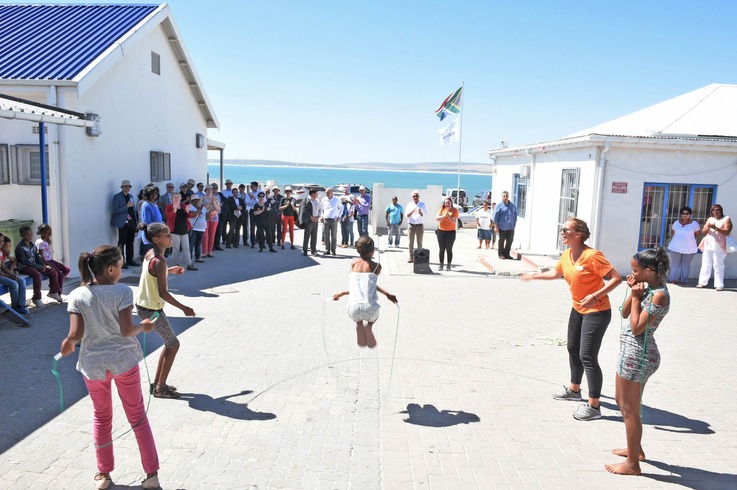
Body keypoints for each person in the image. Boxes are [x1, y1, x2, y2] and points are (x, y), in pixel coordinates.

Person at [59, 245, 160, 490]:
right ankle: (151, 476)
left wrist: (68, 343)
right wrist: (144, 326)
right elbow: (127, 330)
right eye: (121, 266)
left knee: (101, 418)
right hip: (124, 362)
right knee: (137, 416)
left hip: (93, 366)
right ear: (111, 269)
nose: (121, 270)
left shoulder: (77, 295)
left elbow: (76, 334)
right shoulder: (123, 292)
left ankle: (104, 475)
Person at [521, 218, 622, 421]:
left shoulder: (593, 256)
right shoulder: (567, 254)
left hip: (597, 311)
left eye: (566, 230)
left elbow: (616, 278)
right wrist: (533, 276)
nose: (562, 233)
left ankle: (594, 406)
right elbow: (555, 273)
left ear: (578, 234)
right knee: (572, 348)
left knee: (588, 356)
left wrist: (595, 296)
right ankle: (575, 390)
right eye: (562, 229)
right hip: (578, 309)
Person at [606, 247, 670, 476]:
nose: (631, 273)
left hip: (639, 355)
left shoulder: (659, 294)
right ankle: (636, 449)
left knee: (630, 408)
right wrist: (633, 292)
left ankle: (633, 464)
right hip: (630, 353)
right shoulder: (647, 288)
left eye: (635, 270)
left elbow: (637, 328)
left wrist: (636, 297)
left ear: (650, 271)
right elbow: (624, 313)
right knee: (621, 401)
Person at [136, 223, 196, 399]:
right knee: (173, 344)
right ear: (156, 239)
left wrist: (170, 271)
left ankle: (157, 384)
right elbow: (163, 292)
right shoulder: (159, 261)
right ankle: (160, 388)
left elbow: (153, 274)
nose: (170, 237)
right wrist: (184, 308)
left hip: (145, 306)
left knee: (169, 343)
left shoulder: (151, 254)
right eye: (167, 234)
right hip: (151, 309)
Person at [332, 236, 398, 348]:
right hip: (370, 309)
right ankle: (369, 326)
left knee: (357, 317)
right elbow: (369, 285)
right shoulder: (377, 266)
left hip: (354, 309)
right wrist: (387, 294)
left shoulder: (353, 264)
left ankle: (358, 324)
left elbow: (358, 286)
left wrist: (341, 293)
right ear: (372, 252)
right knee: (374, 316)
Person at [16, 226, 63, 308]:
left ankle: (53, 292)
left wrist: (43, 265)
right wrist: (39, 267)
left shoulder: (33, 246)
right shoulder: (20, 247)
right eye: (27, 234)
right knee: (37, 275)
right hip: (24, 267)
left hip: (35, 265)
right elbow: (25, 262)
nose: (30, 236)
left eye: (31, 234)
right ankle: (36, 298)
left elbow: (37, 257)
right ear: (21, 235)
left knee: (52, 270)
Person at [697, 203, 733, 291]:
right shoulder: (710, 219)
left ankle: (719, 285)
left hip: (719, 245)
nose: (715, 211)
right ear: (711, 212)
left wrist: (716, 228)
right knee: (706, 264)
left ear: (721, 211)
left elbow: (727, 231)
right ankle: (702, 282)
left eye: (717, 210)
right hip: (708, 244)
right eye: (713, 210)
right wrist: (708, 227)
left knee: (718, 265)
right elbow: (703, 232)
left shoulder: (726, 219)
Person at [666, 206, 700, 285]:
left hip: (689, 248)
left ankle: (683, 280)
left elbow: (697, 234)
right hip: (675, 247)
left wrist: (688, 239)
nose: (685, 215)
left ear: (690, 214)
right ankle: (672, 279)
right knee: (675, 264)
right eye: (683, 213)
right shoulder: (676, 223)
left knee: (686, 264)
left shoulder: (694, 224)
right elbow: (673, 232)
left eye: (687, 213)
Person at [110, 179, 139, 268]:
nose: (127, 188)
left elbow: (133, 209)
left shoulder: (130, 196)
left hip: (131, 222)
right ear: (122, 187)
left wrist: (136, 221)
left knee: (131, 242)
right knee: (122, 242)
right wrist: (126, 206)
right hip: (122, 222)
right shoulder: (117, 197)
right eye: (125, 186)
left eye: (129, 186)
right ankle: (122, 261)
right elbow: (115, 210)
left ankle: (130, 260)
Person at [35, 223, 71, 292]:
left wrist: (48, 242)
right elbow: (40, 255)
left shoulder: (45, 241)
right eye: (47, 232)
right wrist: (46, 264)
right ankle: (57, 292)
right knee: (60, 275)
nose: (49, 234)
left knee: (66, 270)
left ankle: (54, 283)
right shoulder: (40, 242)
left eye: (50, 232)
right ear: (41, 232)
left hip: (50, 260)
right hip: (47, 261)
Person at [164, 193, 196, 271]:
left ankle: (189, 264)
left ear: (181, 198)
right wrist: (174, 210)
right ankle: (176, 265)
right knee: (176, 249)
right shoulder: (168, 207)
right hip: (174, 231)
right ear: (172, 199)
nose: (176, 199)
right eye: (175, 197)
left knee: (186, 248)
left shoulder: (183, 206)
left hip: (184, 230)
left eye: (178, 197)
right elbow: (168, 217)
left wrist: (188, 211)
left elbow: (190, 216)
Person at [0, 234, 30, 315]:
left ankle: (21, 305)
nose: (1, 243)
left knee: (22, 281)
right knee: (14, 284)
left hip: (4, 273)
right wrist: (10, 276)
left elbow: (3, 266)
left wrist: (12, 274)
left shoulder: (1, 252)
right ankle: (15, 306)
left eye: (2, 241)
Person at [138, 184, 164, 257]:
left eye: (155, 193)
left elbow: (158, 218)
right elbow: (147, 222)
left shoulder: (154, 203)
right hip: (151, 236)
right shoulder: (146, 205)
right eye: (151, 193)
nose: (154, 195)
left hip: (157, 234)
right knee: (151, 259)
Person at [435, 198, 458, 271]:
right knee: (441, 249)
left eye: (448, 203)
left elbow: (453, 221)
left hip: (451, 232)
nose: (447, 204)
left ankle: (448, 264)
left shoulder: (455, 210)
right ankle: (441, 264)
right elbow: (437, 218)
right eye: (446, 203)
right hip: (441, 231)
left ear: (451, 203)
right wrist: (444, 216)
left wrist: (448, 216)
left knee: (449, 249)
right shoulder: (442, 209)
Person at [493, 191, 517, 259]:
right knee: (501, 241)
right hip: (502, 228)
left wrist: (514, 224)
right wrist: (496, 227)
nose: (505, 197)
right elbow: (495, 217)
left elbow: (515, 215)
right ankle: (501, 254)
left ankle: (507, 254)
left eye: (506, 196)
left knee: (510, 241)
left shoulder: (512, 206)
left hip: (511, 228)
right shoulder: (498, 206)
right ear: (502, 197)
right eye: (504, 196)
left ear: (508, 196)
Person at [405, 191, 426, 263]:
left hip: (420, 225)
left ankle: (419, 257)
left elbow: (425, 213)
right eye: (414, 196)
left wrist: (421, 212)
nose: (415, 197)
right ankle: (411, 257)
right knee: (411, 242)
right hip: (411, 225)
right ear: (412, 197)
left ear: (419, 197)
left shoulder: (422, 204)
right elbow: (407, 215)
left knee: (419, 241)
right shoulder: (409, 205)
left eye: (416, 196)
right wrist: (412, 211)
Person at [201, 185, 221, 259]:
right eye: (208, 189)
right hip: (205, 218)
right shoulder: (202, 198)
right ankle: (204, 251)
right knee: (205, 235)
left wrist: (214, 203)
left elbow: (218, 209)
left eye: (210, 189)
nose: (209, 191)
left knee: (212, 235)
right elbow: (203, 208)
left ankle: (209, 251)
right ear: (205, 190)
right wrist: (210, 202)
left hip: (214, 218)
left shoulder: (216, 198)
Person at [321, 188, 341, 255]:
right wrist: (321, 216)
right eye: (326, 192)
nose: (327, 194)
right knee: (326, 236)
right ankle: (327, 250)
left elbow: (341, 208)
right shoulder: (324, 199)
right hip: (326, 219)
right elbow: (320, 208)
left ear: (331, 192)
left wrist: (339, 216)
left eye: (328, 192)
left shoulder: (336, 200)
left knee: (333, 236)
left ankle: (333, 250)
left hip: (334, 219)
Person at [301, 188, 320, 256]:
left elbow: (319, 209)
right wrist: (310, 217)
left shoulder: (317, 200)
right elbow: (304, 210)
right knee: (307, 235)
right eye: (316, 193)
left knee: (314, 235)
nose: (317, 195)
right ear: (313, 194)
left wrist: (318, 217)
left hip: (316, 219)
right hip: (309, 220)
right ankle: (305, 250)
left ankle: (313, 250)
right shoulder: (306, 200)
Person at [188, 194, 206, 264]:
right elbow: (193, 215)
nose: (196, 201)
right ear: (192, 201)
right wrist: (199, 209)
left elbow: (206, 217)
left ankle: (198, 257)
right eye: (194, 200)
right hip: (193, 229)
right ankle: (189, 259)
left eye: (197, 200)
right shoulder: (190, 208)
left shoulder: (203, 208)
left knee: (198, 244)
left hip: (202, 228)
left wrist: (210, 210)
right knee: (191, 244)